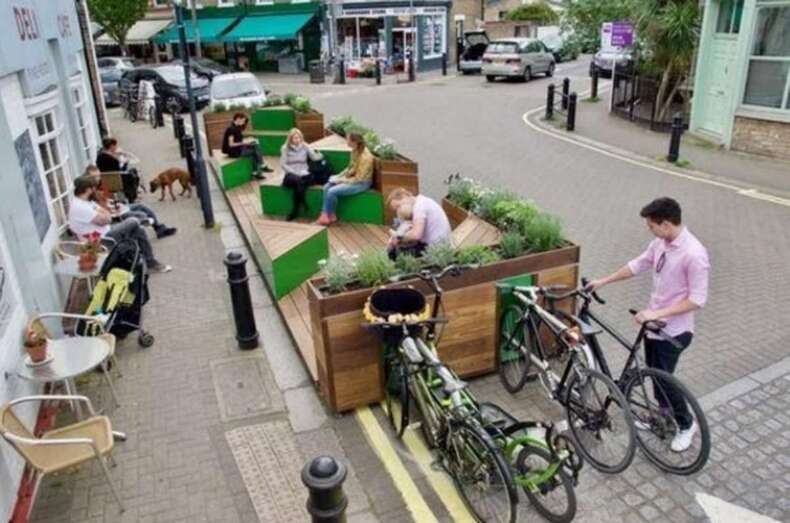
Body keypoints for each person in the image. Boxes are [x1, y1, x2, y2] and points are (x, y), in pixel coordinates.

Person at [586, 197, 709, 453]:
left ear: (665, 224)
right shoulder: (661, 243)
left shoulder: (694, 254)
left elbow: (698, 299)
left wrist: (658, 313)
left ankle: (686, 425)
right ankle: (661, 417)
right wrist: (603, 281)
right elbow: (638, 264)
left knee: (665, 381)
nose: (649, 230)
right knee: (654, 376)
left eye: (651, 226)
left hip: (675, 331)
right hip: (653, 328)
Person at [68, 176, 172, 273]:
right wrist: (104, 213)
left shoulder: (86, 202)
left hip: (106, 233)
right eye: (93, 188)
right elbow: (107, 219)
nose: (95, 190)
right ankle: (145, 222)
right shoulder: (80, 207)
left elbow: (105, 214)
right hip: (101, 242)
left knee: (139, 229)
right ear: (88, 189)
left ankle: (151, 263)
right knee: (133, 221)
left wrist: (104, 213)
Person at [84, 165, 177, 239]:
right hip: (113, 215)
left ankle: (159, 228)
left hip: (115, 208)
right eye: (95, 177)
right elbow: (100, 209)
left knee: (141, 206)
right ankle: (141, 235)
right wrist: (111, 206)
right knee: (140, 214)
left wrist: (113, 201)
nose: (98, 179)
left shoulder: (99, 186)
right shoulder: (90, 192)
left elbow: (108, 198)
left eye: (98, 176)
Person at [316, 132, 374, 226]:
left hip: (362, 183)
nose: (346, 141)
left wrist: (342, 180)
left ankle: (325, 216)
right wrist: (339, 176)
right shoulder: (354, 150)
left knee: (332, 191)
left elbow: (359, 178)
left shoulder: (365, 157)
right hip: (352, 178)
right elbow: (350, 167)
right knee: (327, 186)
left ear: (354, 142)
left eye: (348, 139)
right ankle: (330, 215)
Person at [280, 129, 330, 221]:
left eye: (299, 137)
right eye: (295, 138)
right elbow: (283, 164)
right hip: (291, 174)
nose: (297, 140)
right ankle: (302, 203)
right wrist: (294, 172)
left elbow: (314, 158)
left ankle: (295, 210)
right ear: (290, 139)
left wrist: (319, 154)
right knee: (298, 180)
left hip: (304, 173)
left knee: (300, 182)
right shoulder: (285, 148)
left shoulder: (305, 146)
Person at [386, 187, 451, 259]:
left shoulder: (419, 207)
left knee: (398, 253)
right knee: (398, 248)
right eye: (396, 210)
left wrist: (398, 237)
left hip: (437, 250)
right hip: (439, 245)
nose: (398, 212)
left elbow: (416, 235)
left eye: (398, 206)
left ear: (404, 197)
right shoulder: (421, 201)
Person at [221, 113, 272, 180]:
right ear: (238, 119)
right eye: (243, 121)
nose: (244, 123)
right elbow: (231, 144)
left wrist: (248, 139)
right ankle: (261, 167)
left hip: (238, 148)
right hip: (234, 152)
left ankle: (256, 172)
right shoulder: (231, 129)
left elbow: (238, 139)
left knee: (255, 145)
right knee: (255, 151)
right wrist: (244, 143)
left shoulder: (236, 128)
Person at [96, 137, 141, 203]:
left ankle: (134, 193)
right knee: (132, 173)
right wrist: (125, 162)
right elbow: (120, 169)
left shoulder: (100, 156)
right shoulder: (112, 159)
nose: (116, 147)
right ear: (111, 146)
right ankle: (132, 196)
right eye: (115, 146)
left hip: (106, 179)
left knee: (132, 171)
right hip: (116, 179)